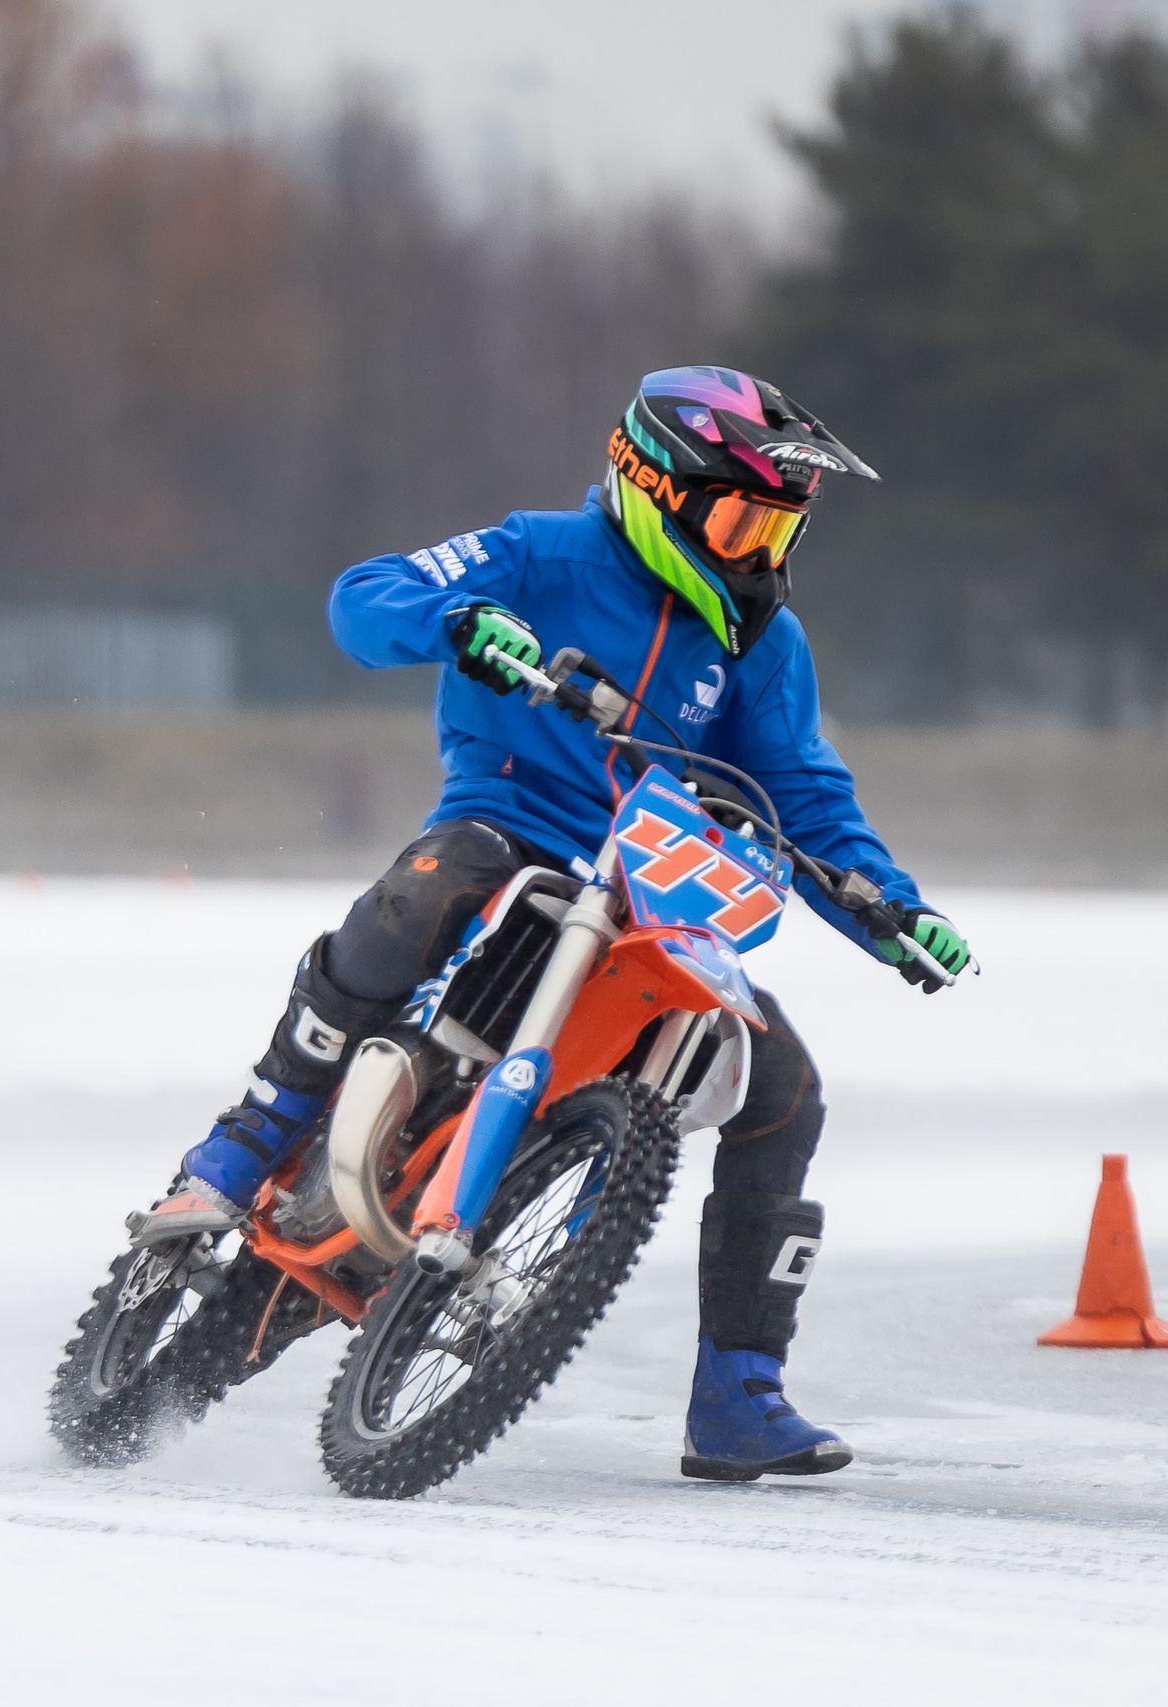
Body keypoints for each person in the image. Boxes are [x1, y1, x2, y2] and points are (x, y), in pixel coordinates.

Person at [133, 365, 972, 1482]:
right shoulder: (536, 555)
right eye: (736, 516)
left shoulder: (764, 647)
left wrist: (889, 906)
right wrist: (461, 620)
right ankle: (245, 1140)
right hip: (511, 827)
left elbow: (806, 798)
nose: (754, 550)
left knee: (785, 1089)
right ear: (653, 484)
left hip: (655, 890)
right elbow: (362, 598)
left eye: (777, 528)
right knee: (432, 885)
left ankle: (738, 1392)